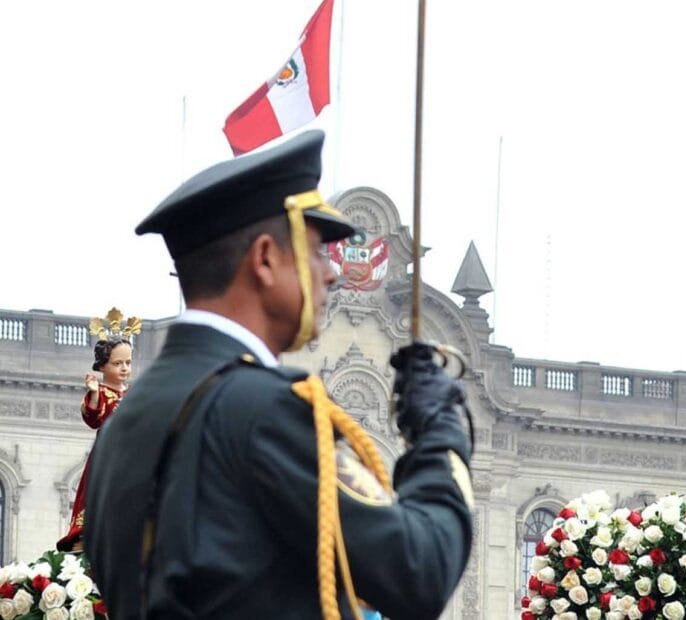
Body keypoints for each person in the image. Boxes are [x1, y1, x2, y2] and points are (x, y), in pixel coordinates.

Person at [85, 130, 474, 620]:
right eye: (315, 252)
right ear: (265, 259)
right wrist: (441, 438)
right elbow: (420, 569)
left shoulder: (127, 419)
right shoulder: (262, 408)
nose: (330, 272)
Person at [56, 335, 132, 552]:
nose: (124, 368)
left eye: (128, 363)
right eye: (117, 363)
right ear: (102, 366)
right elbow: (93, 418)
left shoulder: (134, 394)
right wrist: (93, 392)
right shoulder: (100, 393)